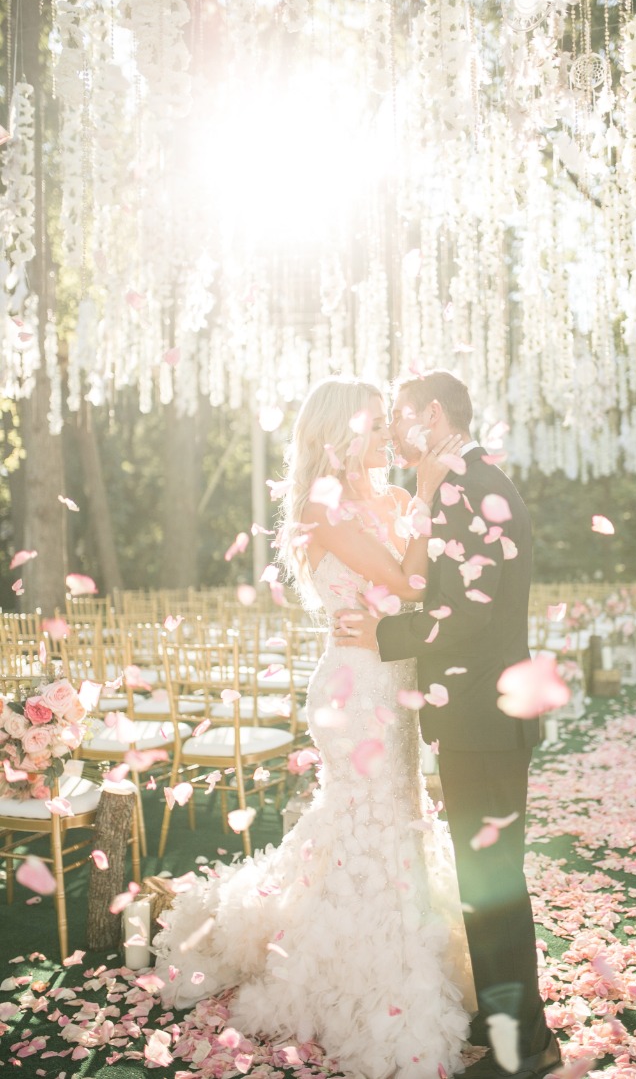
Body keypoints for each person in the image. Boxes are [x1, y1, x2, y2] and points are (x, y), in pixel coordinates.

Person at [153, 376, 475, 1079]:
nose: (380, 436)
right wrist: (425, 494)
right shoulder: (322, 508)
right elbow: (407, 583)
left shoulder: (387, 496)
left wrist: (413, 501)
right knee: (366, 819)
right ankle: (363, 963)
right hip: (354, 687)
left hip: (397, 680)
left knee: (400, 815)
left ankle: (404, 934)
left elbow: (422, 594)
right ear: (334, 435)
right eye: (366, 426)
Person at [333, 370, 561, 1079]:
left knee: (493, 885)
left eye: (401, 416)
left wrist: (383, 632)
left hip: (483, 719)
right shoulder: (468, 481)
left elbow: (471, 609)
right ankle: (518, 1030)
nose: (396, 430)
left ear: (434, 414)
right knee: (486, 882)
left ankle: (520, 1047)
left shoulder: (469, 484)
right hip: (476, 718)